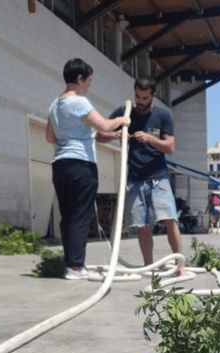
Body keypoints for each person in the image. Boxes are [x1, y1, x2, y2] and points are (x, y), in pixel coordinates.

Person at [46, 58, 130, 280]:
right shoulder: (80, 102)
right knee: (81, 216)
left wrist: (88, 135)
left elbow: (50, 137)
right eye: (89, 81)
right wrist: (123, 119)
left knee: (69, 216)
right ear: (80, 79)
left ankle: (71, 264)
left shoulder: (54, 105)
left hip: (60, 164)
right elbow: (103, 124)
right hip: (81, 164)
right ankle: (75, 267)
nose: (89, 86)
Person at [103, 78, 182, 274]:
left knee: (170, 220)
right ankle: (149, 266)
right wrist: (113, 135)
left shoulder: (163, 116)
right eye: (137, 96)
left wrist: (150, 139)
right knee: (142, 225)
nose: (140, 101)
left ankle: (181, 267)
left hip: (158, 178)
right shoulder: (125, 112)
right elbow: (100, 133)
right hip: (135, 179)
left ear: (153, 95)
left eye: (145, 97)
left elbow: (170, 147)